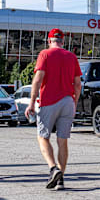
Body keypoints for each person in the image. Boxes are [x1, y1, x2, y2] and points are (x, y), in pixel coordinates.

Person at [25, 28, 82, 190]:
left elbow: (37, 80)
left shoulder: (45, 54)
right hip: (67, 101)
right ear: (63, 41)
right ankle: (61, 179)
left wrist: (31, 103)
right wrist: (74, 102)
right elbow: (77, 84)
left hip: (49, 101)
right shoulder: (71, 56)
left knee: (43, 137)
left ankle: (53, 168)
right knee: (62, 141)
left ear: (49, 41)